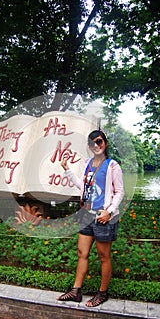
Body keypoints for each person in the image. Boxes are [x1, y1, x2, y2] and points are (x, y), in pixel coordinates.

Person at [56, 129, 124, 307]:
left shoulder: (112, 166)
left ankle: (102, 293)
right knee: (82, 253)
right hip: (86, 215)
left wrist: (109, 211)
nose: (96, 145)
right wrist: (66, 170)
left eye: (99, 141)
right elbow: (82, 186)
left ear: (105, 143)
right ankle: (76, 291)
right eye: (92, 143)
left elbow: (119, 192)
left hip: (103, 217)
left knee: (104, 256)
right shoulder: (87, 164)